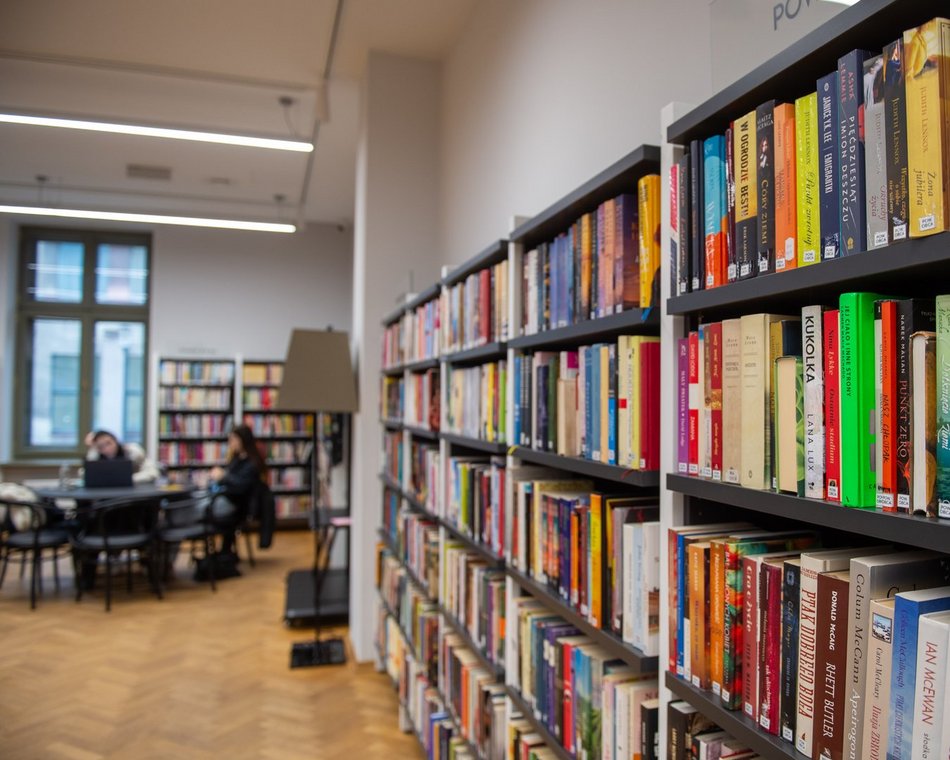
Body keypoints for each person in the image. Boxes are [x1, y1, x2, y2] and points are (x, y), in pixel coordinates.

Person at [206, 424, 267, 557]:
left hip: (239, 506)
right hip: (230, 500)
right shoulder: (237, 458)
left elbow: (241, 488)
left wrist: (223, 476)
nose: (230, 443)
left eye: (233, 439)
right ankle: (222, 553)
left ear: (242, 440)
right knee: (206, 505)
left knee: (206, 511)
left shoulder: (252, 463)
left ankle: (222, 555)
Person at [85, 430, 161, 484]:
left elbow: (153, 473)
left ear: (116, 441)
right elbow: (87, 475)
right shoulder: (96, 456)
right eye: (101, 447)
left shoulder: (133, 452)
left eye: (109, 443)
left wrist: (127, 479)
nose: (107, 448)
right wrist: (92, 448)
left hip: (133, 493)